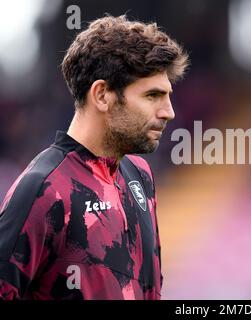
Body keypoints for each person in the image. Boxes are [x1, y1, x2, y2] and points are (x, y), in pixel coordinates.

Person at [0, 15, 188, 300]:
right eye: (153, 95)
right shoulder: (44, 188)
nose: (168, 111)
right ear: (102, 95)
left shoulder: (140, 177)